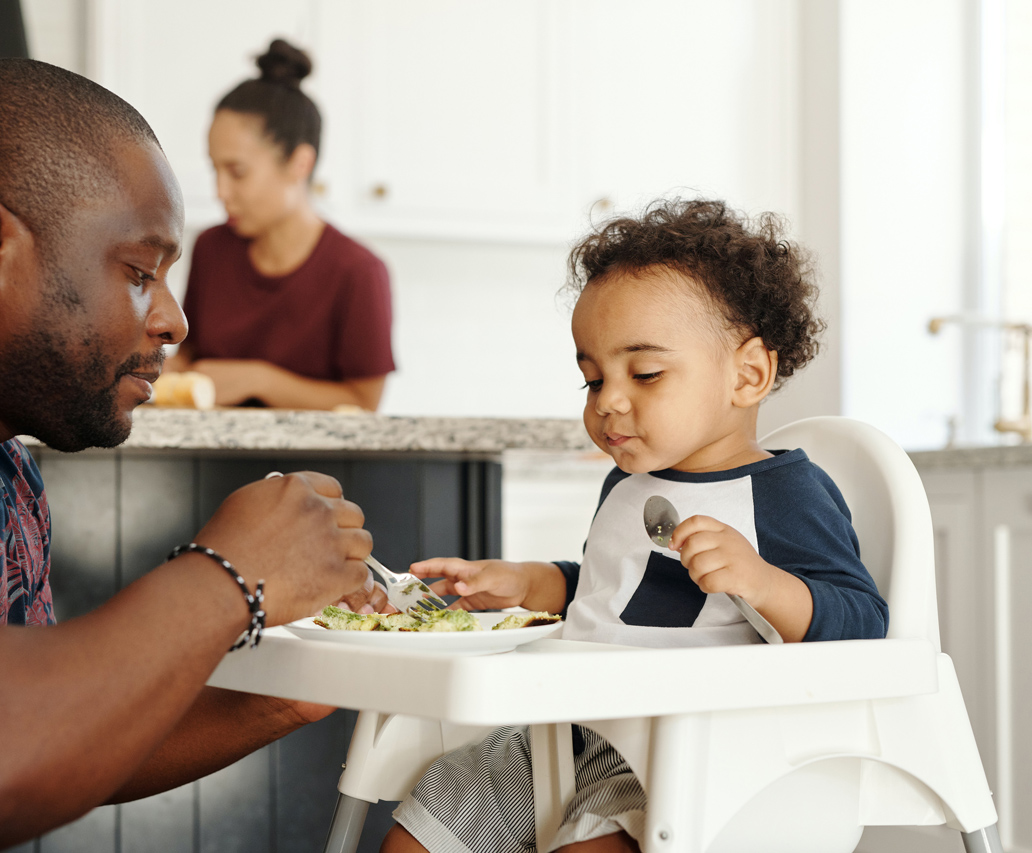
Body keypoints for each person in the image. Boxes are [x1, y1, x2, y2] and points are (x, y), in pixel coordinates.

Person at [0, 58, 383, 852]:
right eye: (140, 272)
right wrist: (229, 575)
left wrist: (294, 696)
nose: (174, 322)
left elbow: (35, 740)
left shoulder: (2, 465)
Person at [380, 199, 889, 853]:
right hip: (562, 725)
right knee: (421, 824)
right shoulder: (627, 483)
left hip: (675, 749)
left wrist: (763, 582)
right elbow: (607, 595)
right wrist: (523, 581)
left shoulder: (787, 495)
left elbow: (863, 622)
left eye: (644, 373)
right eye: (592, 379)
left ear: (748, 373)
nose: (609, 400)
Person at [165, 38, 395, 411]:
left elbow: (364, 403)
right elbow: (189, 361)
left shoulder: (359, 272)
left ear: (299, 164)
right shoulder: (211, 248)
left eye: (237, 172)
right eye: (215, 169)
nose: (220, 191)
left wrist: (258, 378)